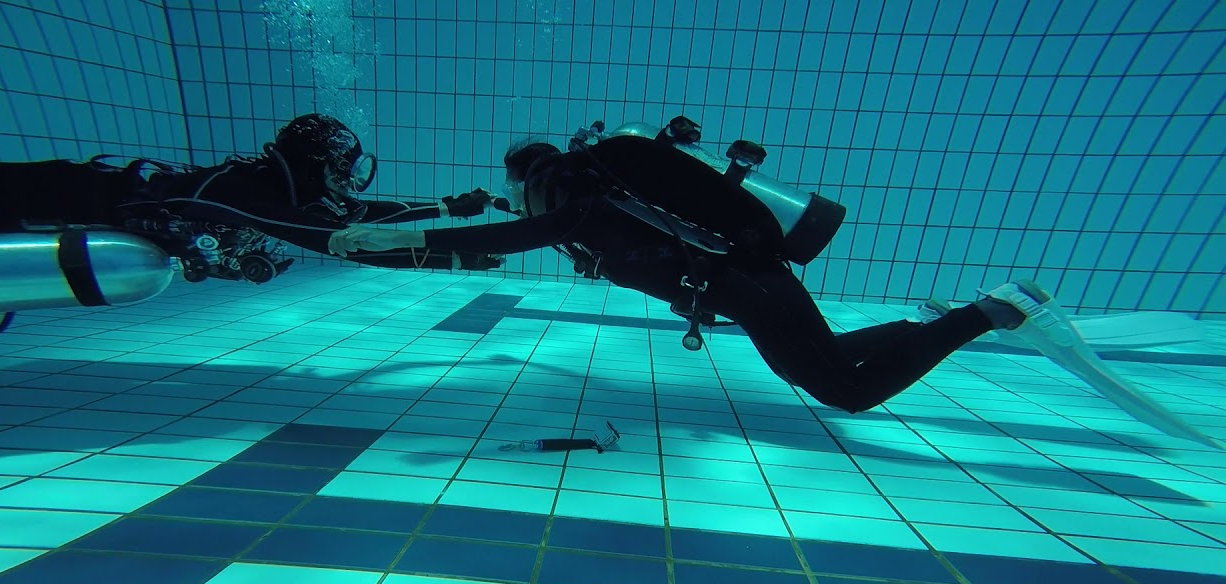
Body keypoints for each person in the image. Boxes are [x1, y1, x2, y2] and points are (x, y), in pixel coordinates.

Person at [327, 115, 1051, 415]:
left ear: (527, 177)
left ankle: (982, 315)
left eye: (517, 190)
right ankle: (918, 321)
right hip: (741, 281)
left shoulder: (576, 196)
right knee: (822, 355)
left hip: (743, 281)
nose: (520, 201)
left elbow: (509, 240)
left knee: (841, 393)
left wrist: (398, 244)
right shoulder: (593, 195)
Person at [0, 113, 503, 279]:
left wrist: (448, 208)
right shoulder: (234, 190)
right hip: (67, 197)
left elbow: (360, 215)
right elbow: (343, 241)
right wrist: (451, 254)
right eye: (341, 168)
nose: (348, 183)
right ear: (313, 166)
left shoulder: (283, 191)